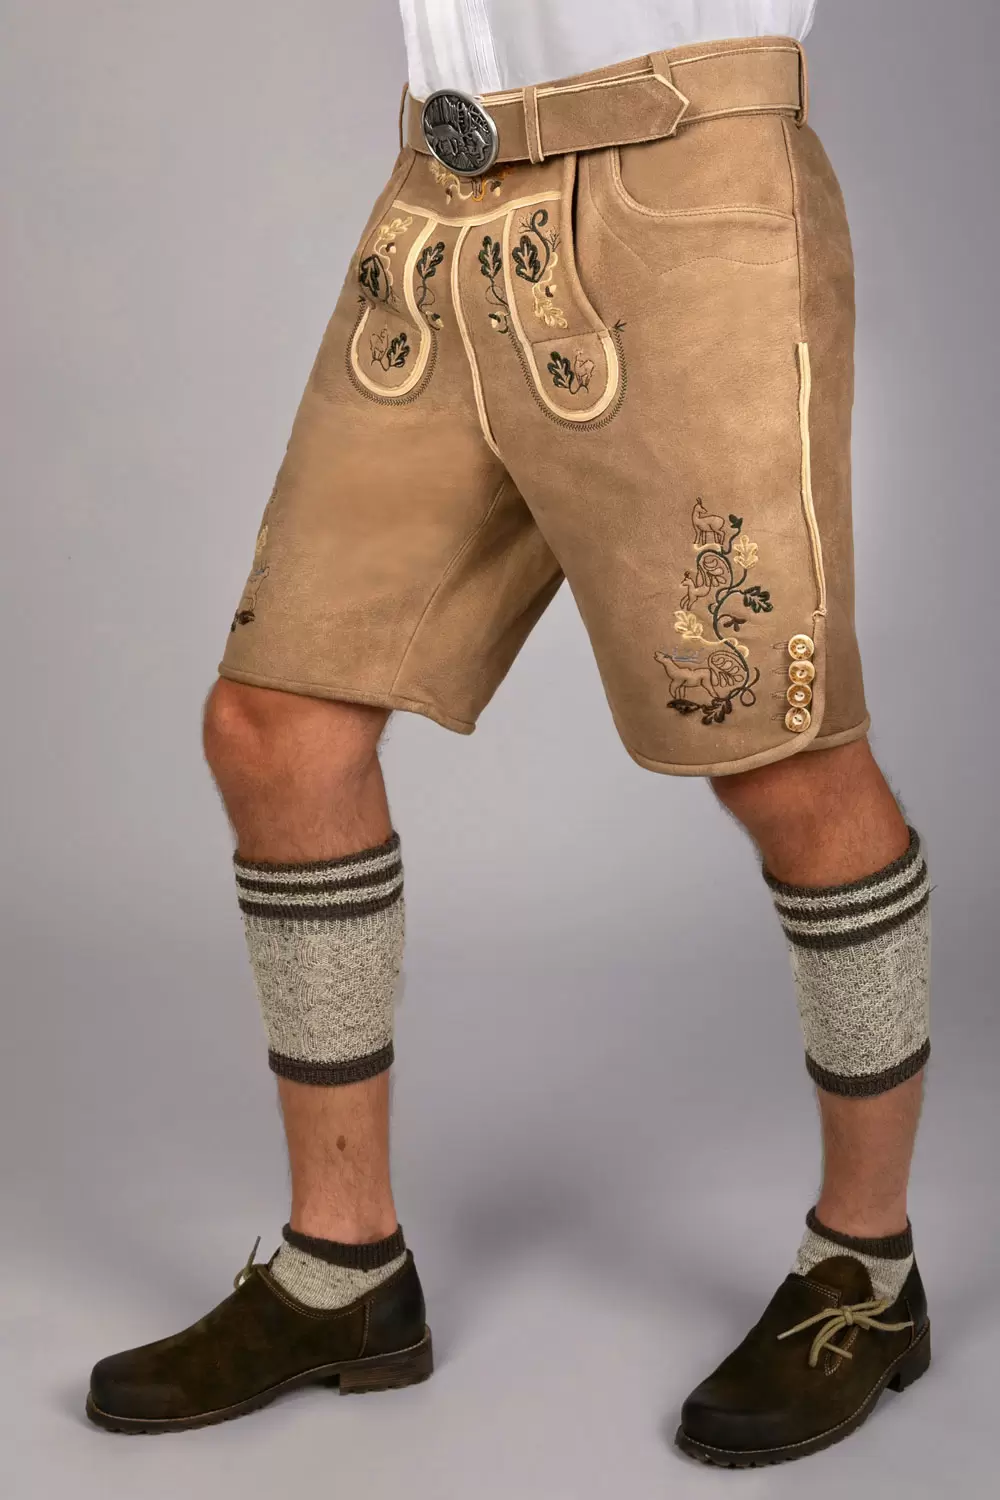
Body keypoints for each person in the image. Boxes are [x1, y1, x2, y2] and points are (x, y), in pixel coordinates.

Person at [86, 0, 932, 1467]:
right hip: (442, 200)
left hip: (685, 186)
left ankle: (868, 1270)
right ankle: (343, 1273)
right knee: (278, 722)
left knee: (779, 756)